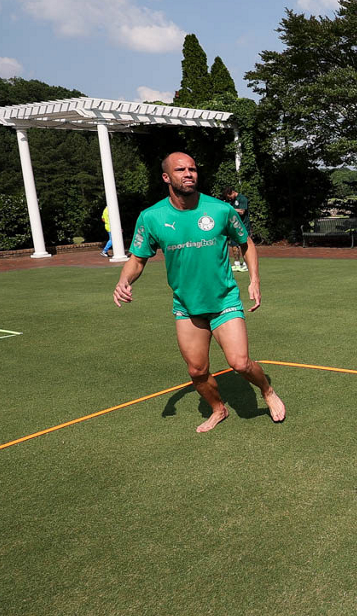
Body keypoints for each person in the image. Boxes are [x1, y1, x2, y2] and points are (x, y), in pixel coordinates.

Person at [114, 152, 286, 433]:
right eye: (180, 170)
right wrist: (124, 280)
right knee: (197, 371)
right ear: (166, 177)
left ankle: (267, 390)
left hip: (224, 301)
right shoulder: (151, 217)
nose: (188, 174)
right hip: (186, 306)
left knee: (240, 363)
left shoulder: (220, 210)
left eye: (192, 169)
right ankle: (219, 409)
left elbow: (246, 244)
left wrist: (254, 280)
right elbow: (137, 259)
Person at [222, 187, 249, 272]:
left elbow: (242, 211)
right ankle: (237, 264)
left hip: (243, 225)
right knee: (234, 245)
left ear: (233, 192)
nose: (229, 198)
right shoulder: (231, 201)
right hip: (233, 225)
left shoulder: (242, 198)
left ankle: (246, 264)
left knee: (243, 244)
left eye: (229, 196)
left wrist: (230, 208)